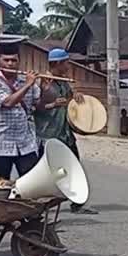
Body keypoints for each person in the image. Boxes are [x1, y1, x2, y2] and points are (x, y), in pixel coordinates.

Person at [34, 48, 96, 214]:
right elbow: (34, 107)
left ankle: (77, 203)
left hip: (65, 132)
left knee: (74, 168)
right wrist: (52, 105)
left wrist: (76, 95)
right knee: (46, 172)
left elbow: (69, 98)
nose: (68, 65)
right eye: (66, 62)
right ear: (58, 63)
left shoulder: (62, 82)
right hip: (47, 134)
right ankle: (38, 205)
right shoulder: (42, 81)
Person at [0, 41, 41, 179]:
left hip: (26, 143)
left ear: (19, 61)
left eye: (14, 60)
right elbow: (8, 102)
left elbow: (39, 104)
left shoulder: (26, 80)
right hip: (0, 144)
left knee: (31, 182)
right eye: (6, 60)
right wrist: (27, 85)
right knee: (0, 185)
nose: (10, 64)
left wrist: (46, 87)